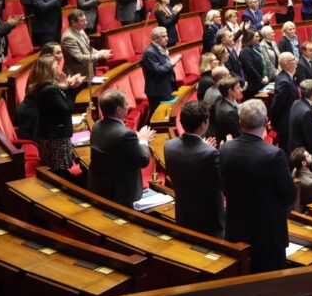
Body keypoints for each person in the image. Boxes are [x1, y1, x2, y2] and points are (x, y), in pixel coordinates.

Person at [219, 100, 296, 273]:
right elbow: (290, 195)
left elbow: (224, 186)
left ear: (240, 123)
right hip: (267, 236)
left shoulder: (225, 149)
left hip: (236, 229)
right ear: (266, 121)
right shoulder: (274, 154)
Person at [164, 101, 224, 238]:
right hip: (208, 219)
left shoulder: (169, 146)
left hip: (183, 213)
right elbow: (222, 184)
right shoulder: (210, 153)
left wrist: (204, 146)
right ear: (204, 124)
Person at [88, 89, 155, 208]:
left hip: (100, 187)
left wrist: (136, 139)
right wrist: (144, 140)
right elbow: (143, 160)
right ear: (118, 110)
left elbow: (117, 146)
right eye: (126, 104)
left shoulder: (97, 126)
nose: (128, 107)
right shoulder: (126, 135)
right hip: (121, 193)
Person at [28, 55, 76, 179]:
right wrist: (71, 90)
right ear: (48, 70)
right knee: (58, 172)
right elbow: (66, 109)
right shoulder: (48, 90)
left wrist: (64, 86)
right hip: (55, 137)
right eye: (55, 66)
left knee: (61, 170)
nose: (57, 68)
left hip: (54, 134)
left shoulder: (48, 87)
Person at [61, 10, 112, 78]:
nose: (86, 23)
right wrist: (98, 55)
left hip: (88, 71)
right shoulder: (68, 37)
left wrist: (100, 52)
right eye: (82, 21)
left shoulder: (81, 30)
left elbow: (87, 48)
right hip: (76, 75)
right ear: (73, 23)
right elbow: (80, 57)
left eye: (85, 20)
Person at [142, 26, 180, 115]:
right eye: (163, 37)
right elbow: (158, 70)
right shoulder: (149, 52)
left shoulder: (161, 47)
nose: (167, 38)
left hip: (166, 87)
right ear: (155, 39)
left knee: (168, 114)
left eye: (166, 36)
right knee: (158, 116)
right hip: (157, 92)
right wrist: (171, 63)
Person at [271, 53, 300, 154]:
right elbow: (277, 105)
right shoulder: (284, 81)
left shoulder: (288, 77)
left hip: (289, 122)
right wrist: (274, 122)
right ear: (286, 64)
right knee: (288, 152)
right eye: (293, 59)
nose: (296, 60)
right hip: (286, 125)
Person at [288, 80, 312, 160]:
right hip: (304, 158)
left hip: (294, 152)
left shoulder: (296, 103)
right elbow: (311, 140)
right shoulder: (307, 113)